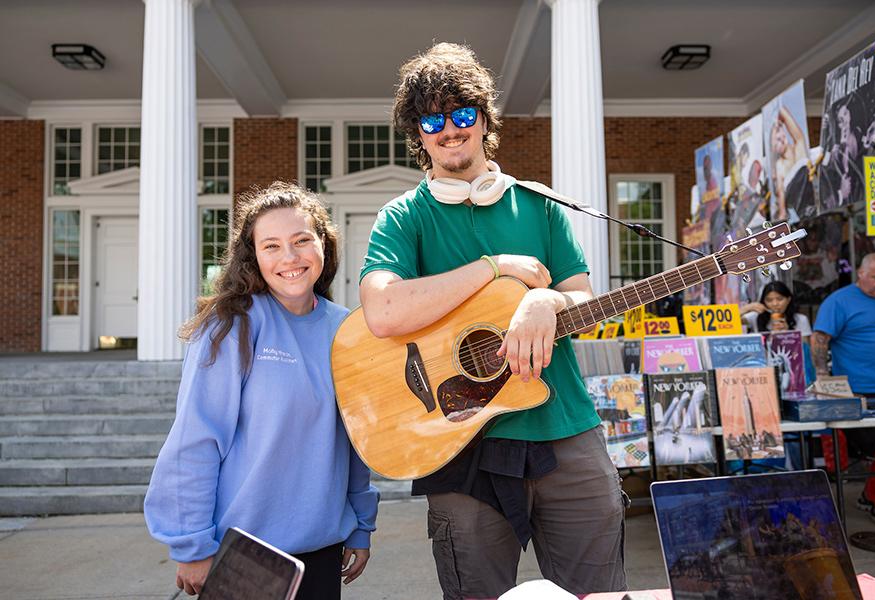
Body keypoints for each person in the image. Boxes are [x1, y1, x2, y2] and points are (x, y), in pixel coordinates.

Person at [358, 43, 625, 599]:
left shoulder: (540, 204)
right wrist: (494, 268)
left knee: (598, 594)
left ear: (483, 120)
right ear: (419, 133)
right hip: (461, 441)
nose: (450, 130)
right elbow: (382, 310)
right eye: (433, 119)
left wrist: (546, 302)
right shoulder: (405, 218)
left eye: (462, 113)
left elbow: (585, 302)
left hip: (567, 430)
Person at [144, 182, 379, 598]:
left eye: (302, 240)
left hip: (323, 550)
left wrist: (360, 523)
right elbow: (195, 440)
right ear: (253, 257)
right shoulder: (231, 326)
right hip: (244, 555)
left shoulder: (349, 330)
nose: (289, 257)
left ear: (324, 245)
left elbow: (355, 439)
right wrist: (192, 544)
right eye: (271, 246)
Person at [812, 252, 875, 530]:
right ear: (860, 274)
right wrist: (825, 381)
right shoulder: (839, 301)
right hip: (860, 392)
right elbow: (819, 340)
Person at [740, 281, 812, 337]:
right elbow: (730, 322)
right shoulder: (755, 317)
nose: (775, 304)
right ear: (763, 302)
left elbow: (805, 350)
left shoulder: (801, 320)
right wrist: (748, 308)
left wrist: (788, 335)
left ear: (788, 300)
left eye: (780, 299)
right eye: (769, 300)